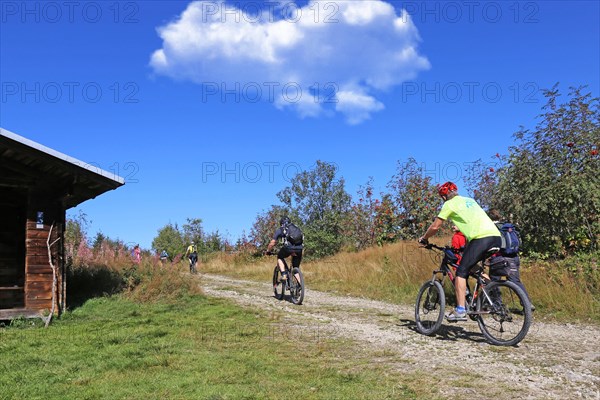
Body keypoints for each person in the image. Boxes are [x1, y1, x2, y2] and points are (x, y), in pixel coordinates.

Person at [418, 182, 501, 322]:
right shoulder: (470, 200)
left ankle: (461, 310)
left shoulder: (449, 204)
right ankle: (495, 296)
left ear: (444, 197)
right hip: (496, 237)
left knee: (461, 273)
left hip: (480, 238)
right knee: (475, 269)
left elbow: (435, 226)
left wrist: (424, 238)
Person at [487, 209, 534, 310]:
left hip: (499, 258)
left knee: (493, 281)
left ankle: (496, 304)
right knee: (515, 282)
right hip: (514, 257)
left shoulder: (492, 228)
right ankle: (527, 304)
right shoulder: (508, 227)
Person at [266, 216, 303, 284]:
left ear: (281, 223)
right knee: (296, 268)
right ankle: (300, 285)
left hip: (288, 248)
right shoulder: (296, 228)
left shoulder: (281, 229)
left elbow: (272, 243)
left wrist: (268, 251)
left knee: (280, 257)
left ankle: (283, 274)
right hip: (299, 249)